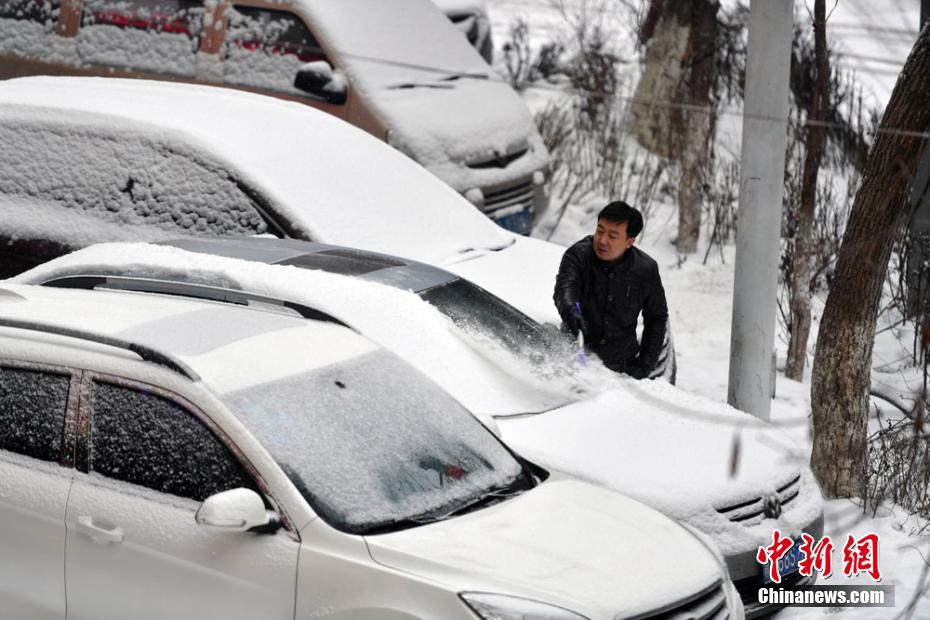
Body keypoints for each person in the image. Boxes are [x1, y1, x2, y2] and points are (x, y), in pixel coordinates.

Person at [553, 201, 668, 379]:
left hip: (621, 370)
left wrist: (645, 366)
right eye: (600, 231)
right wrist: (571, 312)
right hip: (574, 359)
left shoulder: (645, 270)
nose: (602, 240)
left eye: (612, 236)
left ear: (629, 241)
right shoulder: (577, 255)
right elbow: (565, 289)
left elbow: (657, 318)